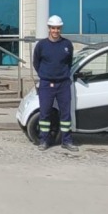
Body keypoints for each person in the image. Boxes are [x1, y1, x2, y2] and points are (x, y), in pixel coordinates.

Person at [32, 15, 78, 152]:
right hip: (46, 83)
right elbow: (36, 62)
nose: (55, 31)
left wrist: (62, 74)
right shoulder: (41, 45)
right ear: (49, 28)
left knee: (65, 114)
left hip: (63, 84)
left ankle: (67, 141)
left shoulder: (67, 44)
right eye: (53, 28)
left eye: (58, 28)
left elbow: (69, 63)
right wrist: (45, 75)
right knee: (45, 114)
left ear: (60, 29)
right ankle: (44, 140)